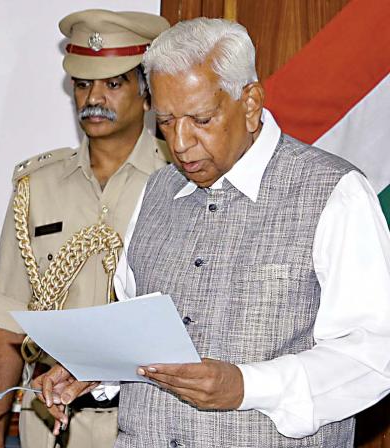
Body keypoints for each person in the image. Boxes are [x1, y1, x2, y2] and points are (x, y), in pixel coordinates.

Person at [33, 17, 390, 447]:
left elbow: (376, 354)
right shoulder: (157, 190)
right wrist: (91, 366)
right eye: (165, 122)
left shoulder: (333, 192)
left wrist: (248, 385)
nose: (181, 143)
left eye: (200, 119)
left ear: (251, 103)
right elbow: (132, 330)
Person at [0, 10, 170, 448]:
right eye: (83, 85)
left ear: (147, 94)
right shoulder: (38, 187)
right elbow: (7, 320)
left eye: (113, 83)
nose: (93, 98)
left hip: (148, 417)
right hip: (51, 423)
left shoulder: (178, 180)